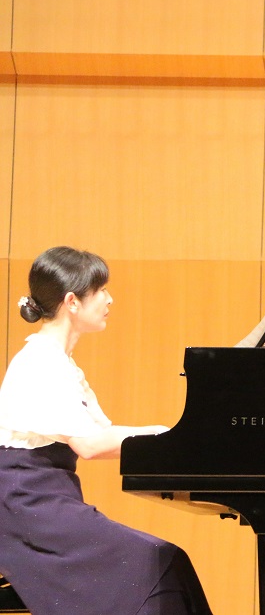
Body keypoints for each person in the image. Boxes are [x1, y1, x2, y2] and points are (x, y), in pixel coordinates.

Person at [0, 247, 213, 615]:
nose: (109, 299)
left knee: (165, 563)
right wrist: (167, 434)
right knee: (157, 565)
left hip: (43, 505)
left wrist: (169, 437)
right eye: (99, 290)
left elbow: (105, 432)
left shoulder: (59, 362)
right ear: (72, 302)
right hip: (26, 511)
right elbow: (90, 445)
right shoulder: (41, 362)